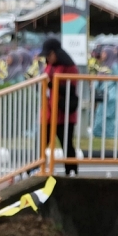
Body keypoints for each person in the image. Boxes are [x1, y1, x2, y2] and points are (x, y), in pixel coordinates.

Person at [41, 38, 79, 175]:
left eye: (49, 55)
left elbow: (70, 88)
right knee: (41, 144)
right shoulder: (49, 66)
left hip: (64, 114)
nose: (47, 58)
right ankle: (34, 169)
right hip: (49, 113)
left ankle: (71, 171)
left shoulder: (69, 67)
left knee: (67, 145)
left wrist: (51, 84)